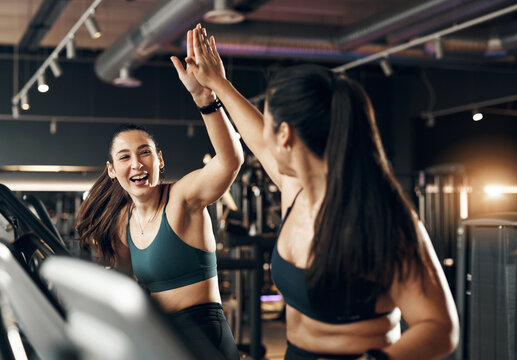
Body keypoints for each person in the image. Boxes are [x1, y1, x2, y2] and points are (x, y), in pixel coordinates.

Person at [185, 23, 459, 360]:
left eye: (270, 124)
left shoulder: (379, 220)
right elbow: (257, 138)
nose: (265, 138)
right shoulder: (297, 192)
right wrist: (215, 88)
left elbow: (440, 326)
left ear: (285, 135)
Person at [75, 27, 243, 360]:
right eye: (124, 157)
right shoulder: (123, 219)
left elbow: (230, 161)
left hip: (202, 338)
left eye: (145, 152)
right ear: (112, 170)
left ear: (159, 159)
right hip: (156, 335)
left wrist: (205, 100)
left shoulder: (182, 198)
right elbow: (121, 283)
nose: (136, 163)